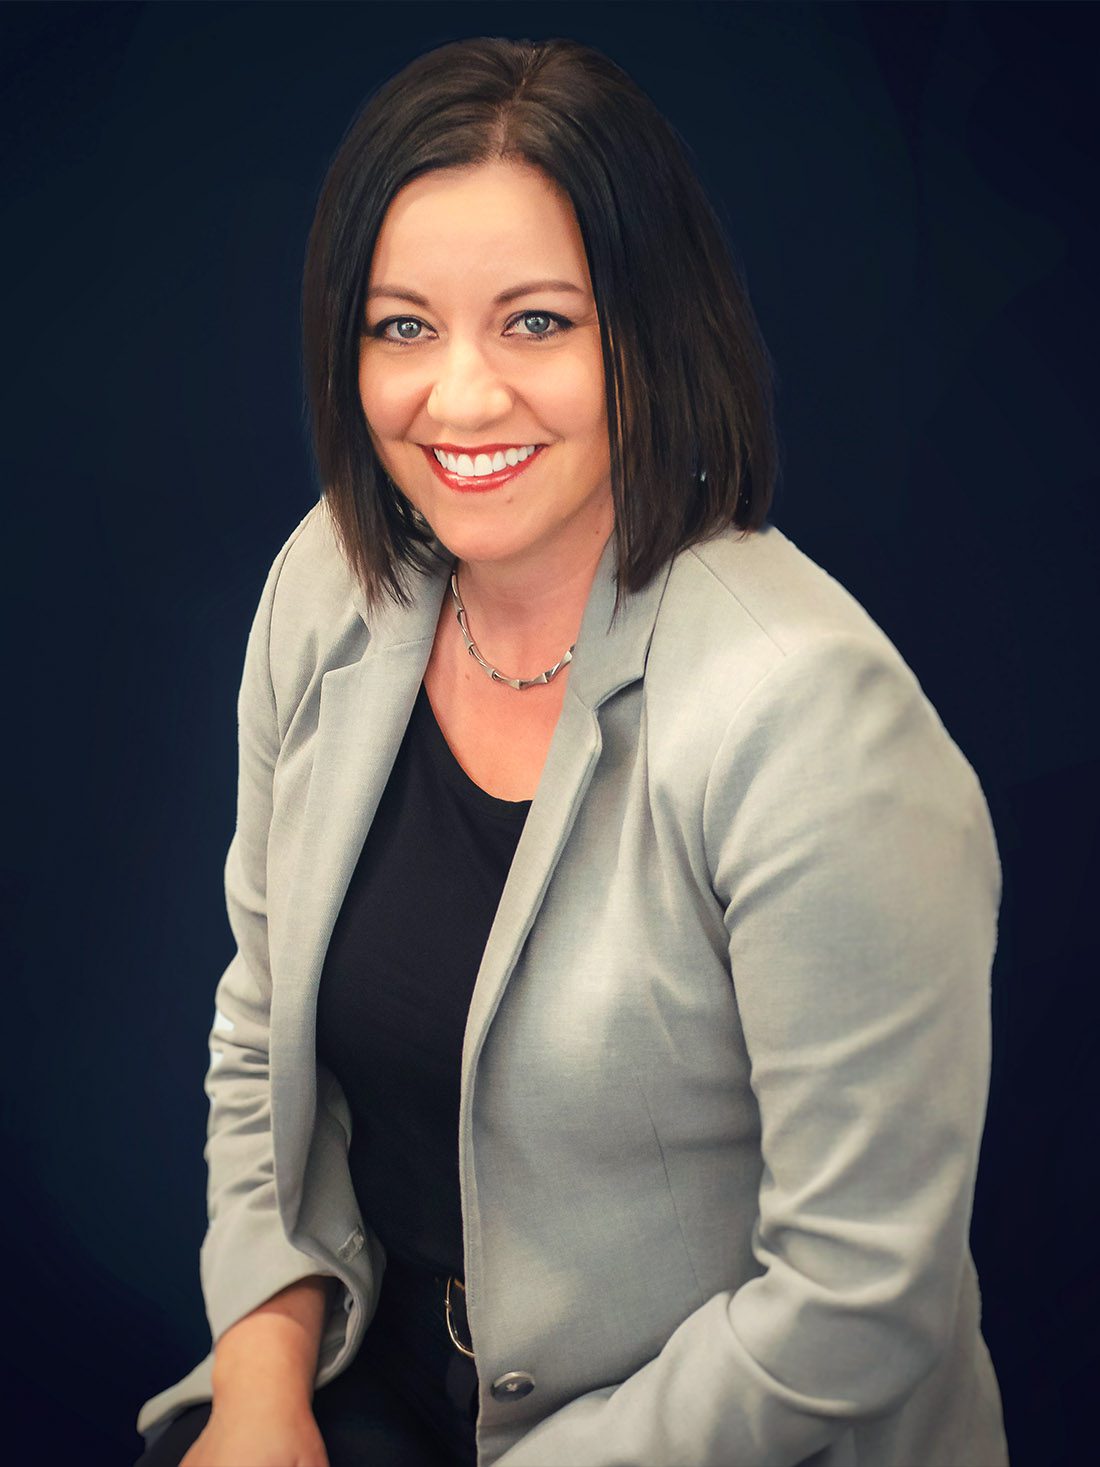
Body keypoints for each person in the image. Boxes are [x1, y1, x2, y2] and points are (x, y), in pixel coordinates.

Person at [134, 34, 1008, 1467]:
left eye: (536, 322)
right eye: (401, 326)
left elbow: (860, 1301)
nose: (458, 400)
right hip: (393, 1371)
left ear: (652, 330)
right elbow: (258, 1040)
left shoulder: (814, 721)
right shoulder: (329, 583)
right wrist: (260, 1383)